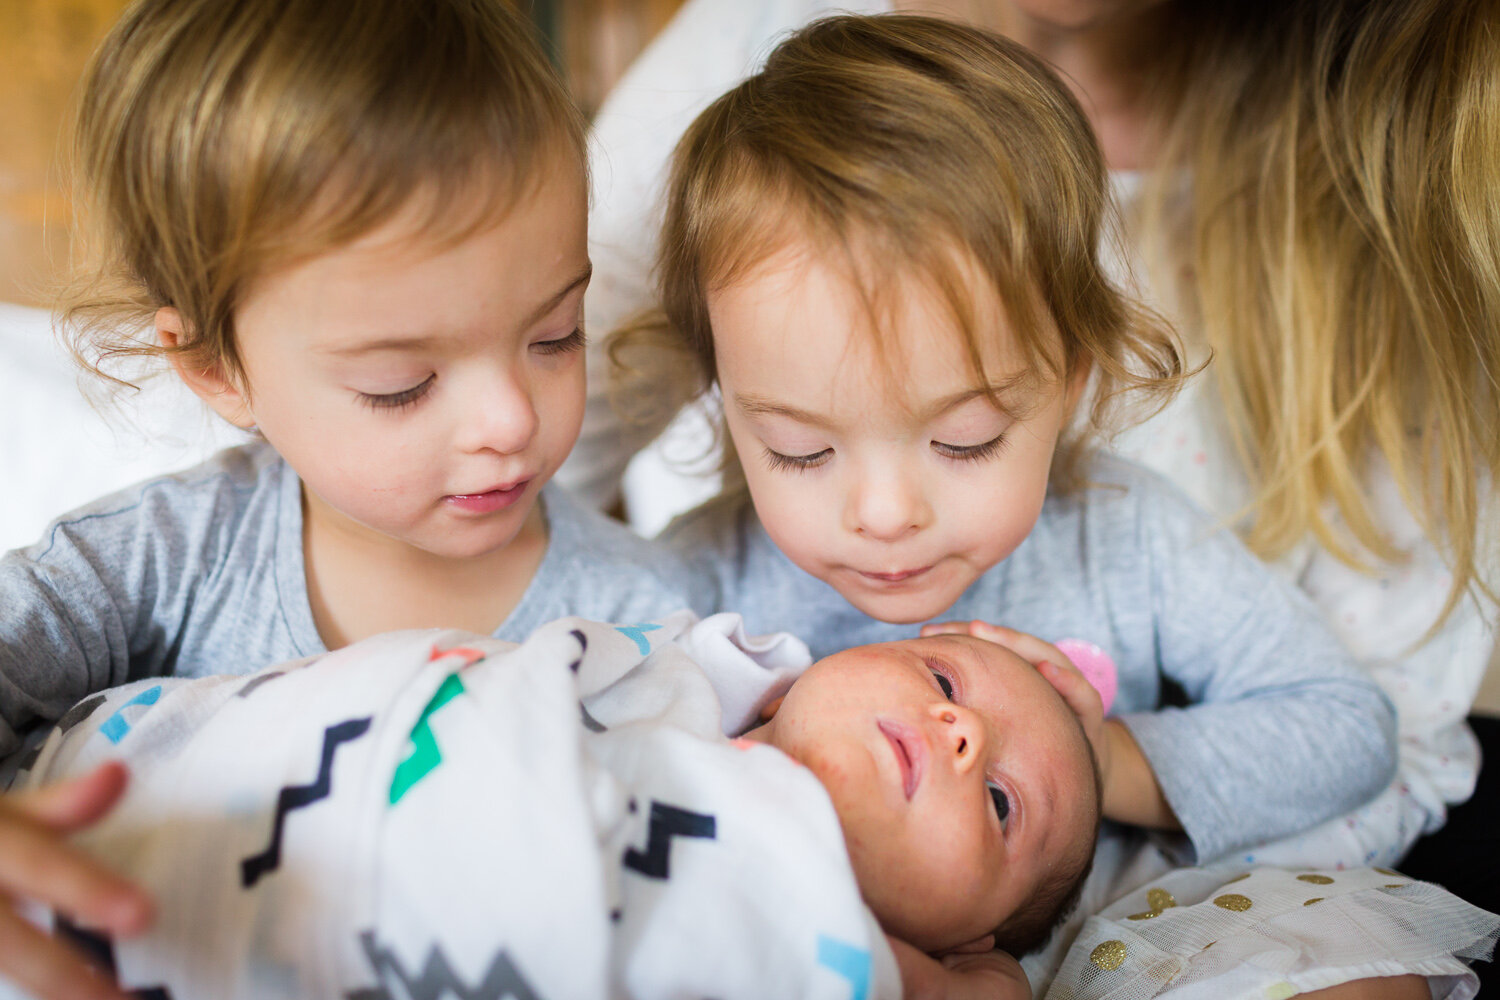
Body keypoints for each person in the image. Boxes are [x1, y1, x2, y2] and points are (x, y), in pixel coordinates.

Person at [609, 16, 1493, 996]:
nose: (888, 512)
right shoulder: (696, 582)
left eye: (965, 441)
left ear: (1069, 382)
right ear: (726, 401)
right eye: (801, 450)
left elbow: (1347, 729)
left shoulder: (1126, 532)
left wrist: (1105, 759)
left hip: (1142, 932)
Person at [0, 1, 695, 997]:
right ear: (215, 369)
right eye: (400, 385)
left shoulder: (648, 623)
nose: (508, 416)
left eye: (555, 335)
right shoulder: (163, 563)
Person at [11, 615, 1493, 999]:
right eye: (933, 676)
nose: (959, 728)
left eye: (1000, 811)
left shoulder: (867, 955)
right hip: (207, 776)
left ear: (976, 940)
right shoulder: (676, 681)